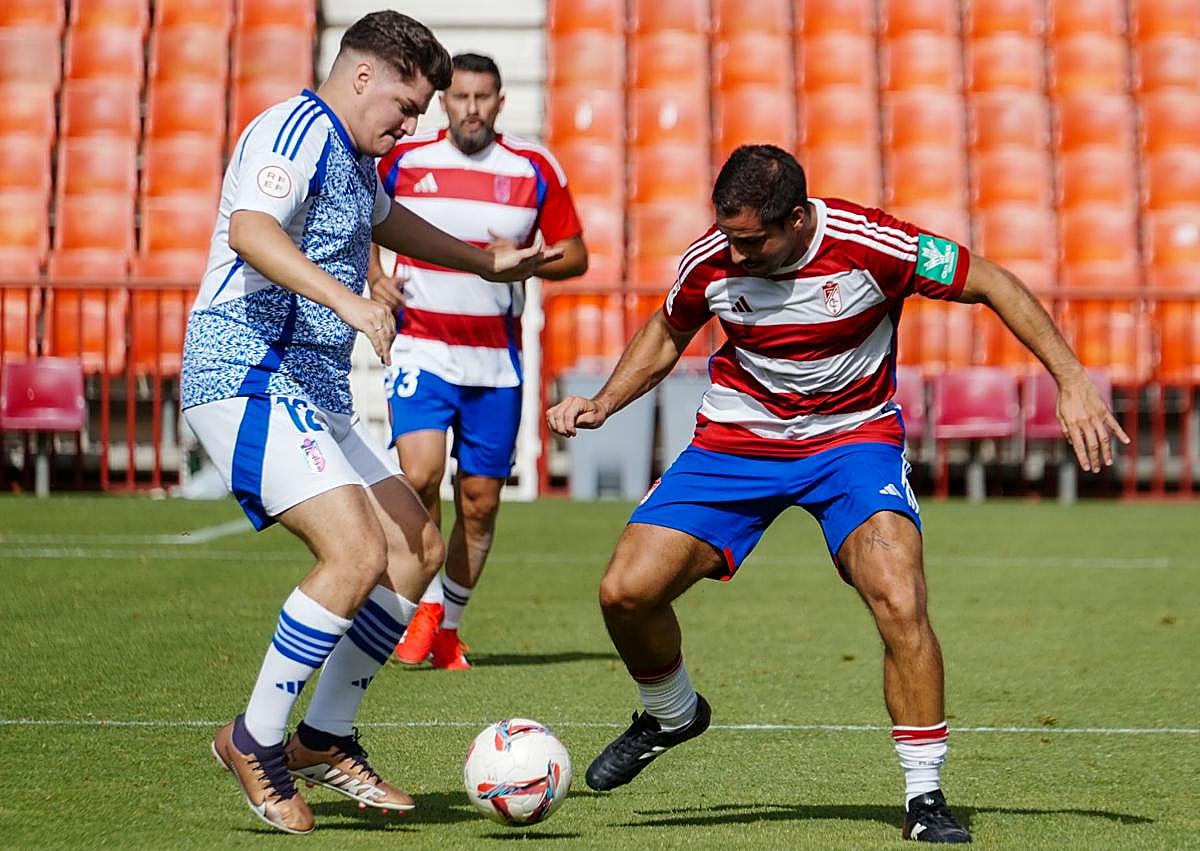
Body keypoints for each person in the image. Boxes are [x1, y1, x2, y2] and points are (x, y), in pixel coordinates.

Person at [546, 145, 1128, 844]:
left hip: (851, 442)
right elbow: (668, 332)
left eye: (750, 240)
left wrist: (1071, 379)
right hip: (739, 441)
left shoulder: (873, 245)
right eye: (727, 235)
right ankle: (671, 712)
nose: (732, 254)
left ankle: (924, 795)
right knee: (624, 592)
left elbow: (995, 282)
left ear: (795, 220)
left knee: (900, 595)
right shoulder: (711, 259)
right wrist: (605, 402)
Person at [182, 12, 560, 835]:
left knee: (417, 545)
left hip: (306, 389)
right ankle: (254, 738)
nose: (413, 123)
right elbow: (251, 231)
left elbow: (389, 220)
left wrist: (483, 259)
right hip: (243, 372)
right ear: (362, 77)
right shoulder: (296, 126)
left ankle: (324, 736)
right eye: (408, 103)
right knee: (353, 550)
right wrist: (350, 298)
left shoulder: (355, 154)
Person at [368, 53, 587, 669]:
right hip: (422, 344)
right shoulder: (405, 160)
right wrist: (372, 276)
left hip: (495, 360)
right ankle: (426, 606)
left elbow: (576, 255)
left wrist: (529, 258)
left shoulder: (533, 167)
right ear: (443, 101)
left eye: (481, 97)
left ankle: (447, 626)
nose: (470, 108)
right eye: (459, 96)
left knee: (481, 501)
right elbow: (353, 218)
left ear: (499, 101)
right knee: (418, 472)